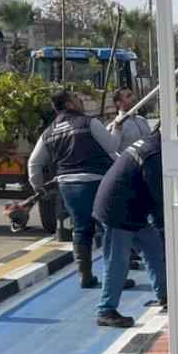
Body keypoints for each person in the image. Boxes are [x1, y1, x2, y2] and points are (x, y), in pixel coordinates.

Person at [91, 124, 178, 327]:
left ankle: (166, 296)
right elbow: (158, 194)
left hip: (132, 208)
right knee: (118, 261)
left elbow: (160, 186)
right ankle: (106, 310)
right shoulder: (154, 153)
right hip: (117, 211)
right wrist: (165, 227)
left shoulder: (153, 144)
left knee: (154, 250)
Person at [28, 89, 120, 288]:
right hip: (96, 181)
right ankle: (114, 278)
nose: (81, 100)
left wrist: (38, 187)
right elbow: (112, 147)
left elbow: (34, 163)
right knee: (107, 227)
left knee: (81, 229)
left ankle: (84, 276)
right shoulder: (89, 123)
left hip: (68, 186)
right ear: (69, 104)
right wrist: (117, 129)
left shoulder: (49, 132)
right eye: (77, 99)